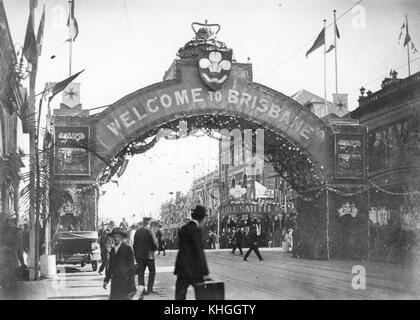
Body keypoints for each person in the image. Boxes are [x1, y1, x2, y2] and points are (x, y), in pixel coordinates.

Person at [174, 205, 211, 300]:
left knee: (179, 296)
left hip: (182, 269)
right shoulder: (196, 230)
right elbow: (199, 251)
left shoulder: (183, 228)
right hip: (195, 270)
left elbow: (181, 247)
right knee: (201, 295)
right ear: (201, 219)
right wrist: (205, 272)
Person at [103, 228, 136, 300]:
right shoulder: (112, 250)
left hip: (126, 280)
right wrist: (106, 279)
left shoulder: (127, 248)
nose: (116, 238)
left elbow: (131, 266)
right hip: (115, 281)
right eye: (114, 236)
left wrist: (132, 282)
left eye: (118, 236)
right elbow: (111, 266)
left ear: (121, 237)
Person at [133, 218, 158, 295]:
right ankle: (149, 289)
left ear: (143, 223)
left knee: (141, 273)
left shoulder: (137, 232)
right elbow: (155, 244)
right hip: (149, 256)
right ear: (149, 223)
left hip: (140, 256)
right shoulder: (150, 231)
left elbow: (135, 245)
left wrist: (136, 255)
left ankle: (142, 290)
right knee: (152, 272)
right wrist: (155, 248)